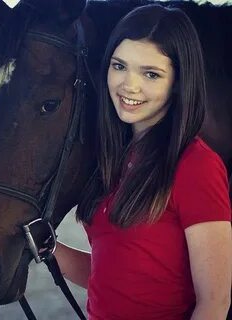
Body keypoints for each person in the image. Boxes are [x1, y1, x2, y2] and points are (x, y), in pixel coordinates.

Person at [51, 4, 232, 320]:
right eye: (119, 66)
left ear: (178, 81)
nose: (128, 86)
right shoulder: (115, 158)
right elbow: (116, 274)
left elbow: (215, 302)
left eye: (151, 73)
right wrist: (51, 251)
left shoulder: (195, 165)